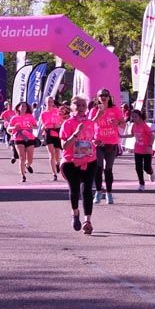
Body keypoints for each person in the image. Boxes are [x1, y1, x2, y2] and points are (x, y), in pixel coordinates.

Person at [59, 96, 99, 234]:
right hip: (71, 162)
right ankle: (75, 213)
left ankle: (87, 221)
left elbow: (93, 139)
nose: (81, 107)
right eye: (77, 104)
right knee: (75, 190)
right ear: (72, 107)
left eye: (83, 105)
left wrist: (96, 142)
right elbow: (64, 146)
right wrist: (76, 134)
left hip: (89, 160)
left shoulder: (91, 123)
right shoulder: (67, 124)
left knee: (87, 189)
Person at [90, 89, 127, 204]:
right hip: (99, 143)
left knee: (108, 169)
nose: (104, 97)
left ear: (109, 97)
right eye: (101, 95)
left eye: (106, 95)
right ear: (97, 97)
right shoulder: (94, 110)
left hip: (112, 143)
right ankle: (98, 192)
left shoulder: (115, 109)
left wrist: (117, 123)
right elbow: (89, 125)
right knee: (98, 168)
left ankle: (109, 193)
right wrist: (98, 115)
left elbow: (123, 124)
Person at [126, 108, 155, 189]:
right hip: (138, 149)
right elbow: (132, 135)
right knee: (138, 167)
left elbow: (152, 136)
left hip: (146, 150)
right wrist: (121, 136)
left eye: (135, 117)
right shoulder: (134, 125)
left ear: (140, 117)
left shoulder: (144, 125)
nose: (134, 118)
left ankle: (151, 172)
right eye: (132, 117)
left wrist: (150, 145)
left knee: (146, 168)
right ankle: (141, 184)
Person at [7, 102, 39, 182]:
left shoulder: (30, 116)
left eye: (25, 106)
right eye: (22, 106)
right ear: (18, 108)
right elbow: (8, 129)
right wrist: (14, 127)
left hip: (29, 138)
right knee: (22, 157)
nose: (24, 108)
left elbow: (36, 126)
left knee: (30, 159)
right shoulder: (14, 118)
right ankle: (23, 176)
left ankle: (27, 165)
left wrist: (31, 126)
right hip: (18, 139)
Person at [40, 96, 65, 181]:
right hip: (48, 133)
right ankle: (54, 174)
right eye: (48, 101)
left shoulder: (57, 111)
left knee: (57, 153)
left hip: (57, 132)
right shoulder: (43, 113)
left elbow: (62, 121)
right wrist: (46, 126)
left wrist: (59, 125)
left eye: (51, 101)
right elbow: (43, 124)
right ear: (45, 103)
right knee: (51, 154)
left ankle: (58, 163)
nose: (50, 103)